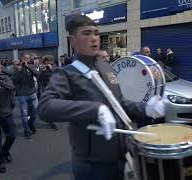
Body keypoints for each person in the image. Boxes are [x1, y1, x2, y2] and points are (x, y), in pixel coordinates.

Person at [38, 15, 165, 180]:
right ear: (73, 40)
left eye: (96, 33)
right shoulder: (66, 74)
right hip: (92, 166)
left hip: (120, 156)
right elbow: (45, 107)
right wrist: (95, 109)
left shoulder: (106, 67)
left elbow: (118, 103)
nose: (93, 38)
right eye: (86, 33)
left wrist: (146, 108)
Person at [13, 53, 40, 139]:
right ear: (21, 58)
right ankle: (27, 131)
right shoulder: (17, 67)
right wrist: (20, 70)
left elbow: (37, 74)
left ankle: (30, 124)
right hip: (22, 95)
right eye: (25, 58)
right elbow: (15, 80)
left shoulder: (31, 66)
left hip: (32, 93)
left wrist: (27, 67)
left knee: (35, 111)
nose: (27, 60)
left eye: (28, 58)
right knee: (24, 114)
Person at [38, 55, 58, 131]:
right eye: (47, 61)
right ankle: (51, 122)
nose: (48, 62)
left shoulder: (55, 67)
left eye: (50, 61)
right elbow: (39, 78)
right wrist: (42, 72)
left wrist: (51, 69)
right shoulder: (42, 68)